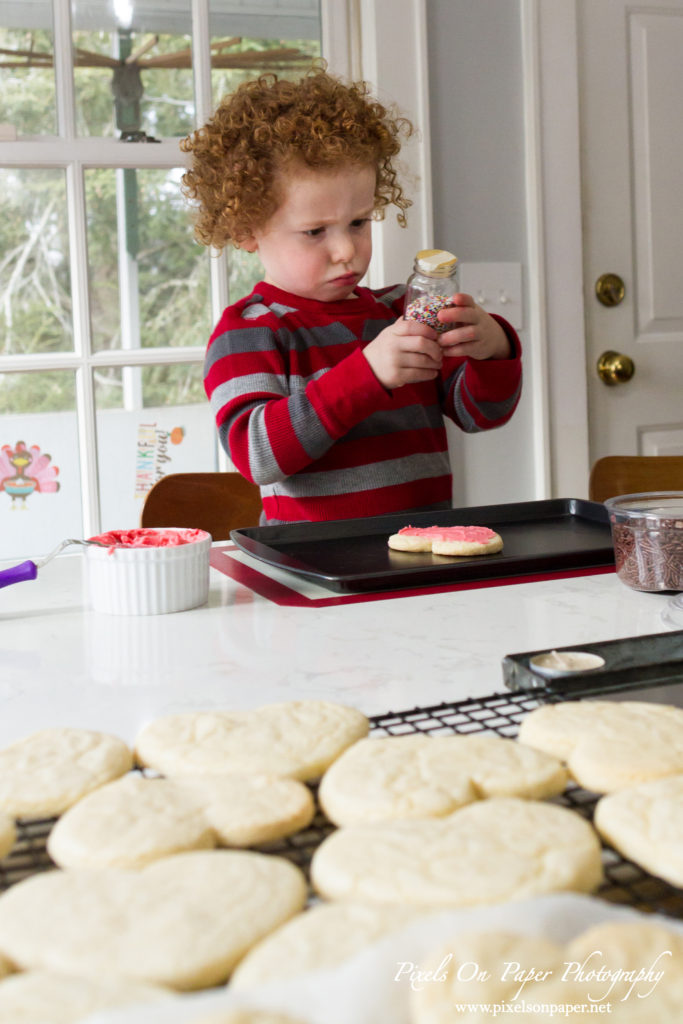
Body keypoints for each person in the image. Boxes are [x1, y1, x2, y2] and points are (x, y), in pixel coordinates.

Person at [181, 66, 522, 525]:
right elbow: (258, 455)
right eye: (315, 231)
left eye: (358, 223)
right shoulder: (249, 332)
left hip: (421, 555)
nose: (346, 250)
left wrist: (492, 350)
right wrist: (366, 374)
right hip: (311, 566)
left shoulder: (402, 310)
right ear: (246, 230)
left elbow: (480, 414)